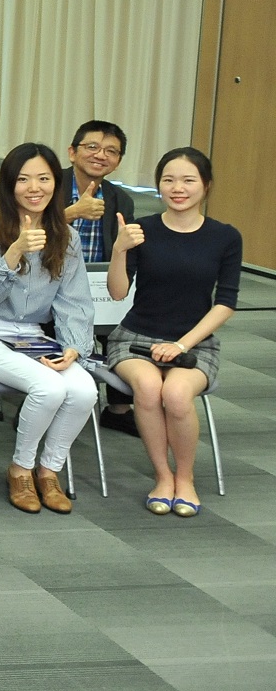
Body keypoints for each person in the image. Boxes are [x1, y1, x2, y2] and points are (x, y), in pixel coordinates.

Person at [0, 143, 97, 515]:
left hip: (31, 335)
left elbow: (74, 301)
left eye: (44, 179)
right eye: (23, 179)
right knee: (49, 388)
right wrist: (14, 251)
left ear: (56, 183)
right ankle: (20, 469)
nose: (34, 188)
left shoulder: (67, 236)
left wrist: (73, 347)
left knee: (84, 390)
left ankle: (49, 471)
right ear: (9, 185)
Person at [107, 147, 241, 519]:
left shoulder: (225, 237)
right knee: (149, 388)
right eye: (168, 180)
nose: (177, 188)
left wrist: (182, 344)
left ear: (206, 185)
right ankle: (163, 477)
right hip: (134, 339)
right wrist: (119, 249)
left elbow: (225, 303)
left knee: (178, 395)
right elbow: (117, 292)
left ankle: (186, 478)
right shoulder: (143, 229)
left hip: (195, 342)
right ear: (159, 185)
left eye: (188, 180)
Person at [64, 120, 134, 264]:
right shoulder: (48, 185)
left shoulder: (122, 201)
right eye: (92, 147)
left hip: (97, 277)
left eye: (111, 151)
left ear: (118, 162)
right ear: (72, 153)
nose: (101, 156)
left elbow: (125, 257)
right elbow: (23, 232)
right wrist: (73, 213)